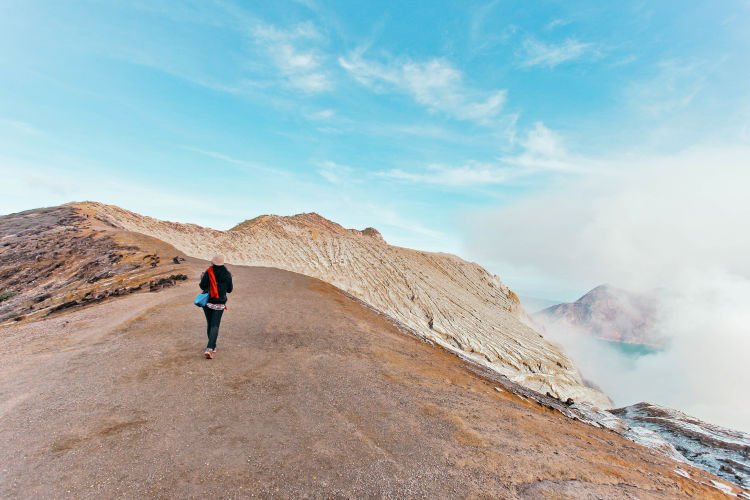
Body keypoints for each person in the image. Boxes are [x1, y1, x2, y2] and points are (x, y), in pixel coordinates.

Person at [199, 254, 233, 359]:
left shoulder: (208, 272)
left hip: (208, 302)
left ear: (213, 262)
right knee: (215, 325)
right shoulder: (227, 274)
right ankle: (210, 347)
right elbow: (229, 290)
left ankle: (212, 347)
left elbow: (202, 286)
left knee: (210, 324)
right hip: (220, 303)